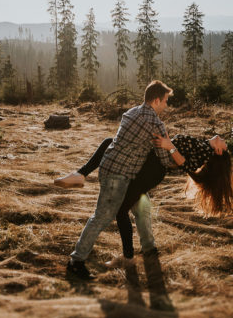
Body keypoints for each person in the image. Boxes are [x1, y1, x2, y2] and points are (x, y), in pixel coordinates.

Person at [57, 133, 233, 268]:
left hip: (151, 171)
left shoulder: (205, 151)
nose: (224, 140)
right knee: (110, 145)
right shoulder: (203, 145)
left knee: (121, 210)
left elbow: (185, 164)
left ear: (219, 151)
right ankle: (149, 249)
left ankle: (128, 259)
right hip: (149, 166)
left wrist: (169, 146)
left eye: (225, 145)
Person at [65, 80, 183, 280]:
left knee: (141, 208)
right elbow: (166, 160)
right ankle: (76, 262)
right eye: (165, 101)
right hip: (118, 176)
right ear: (156, 100)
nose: (166, 106)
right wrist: (173, 149)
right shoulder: (155, 124)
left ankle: (147, 250)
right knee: (101, 218)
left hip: (109, 166)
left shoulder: (132, 112)